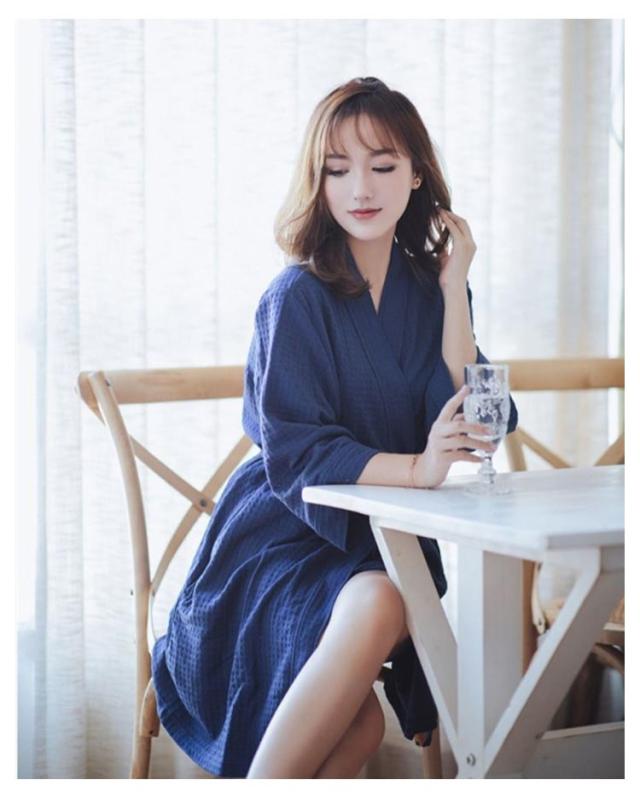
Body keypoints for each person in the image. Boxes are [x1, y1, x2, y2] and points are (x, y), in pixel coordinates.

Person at [151, 76, 518, 779]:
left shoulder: (430, 290)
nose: (361, 188)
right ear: (316, 182)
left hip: (378, 535)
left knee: (360, 725)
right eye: (337, 169)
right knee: (376, 634)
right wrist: (418, 468)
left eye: (382, 165)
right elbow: (297, 450)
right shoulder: (295, 295)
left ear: (417, 174)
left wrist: (453, 290)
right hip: (281, 535)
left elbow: (478, 417)